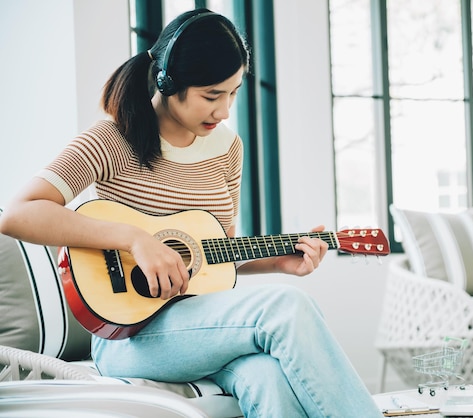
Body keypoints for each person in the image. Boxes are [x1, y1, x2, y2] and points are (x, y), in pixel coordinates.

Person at [0, 8, 383, 418]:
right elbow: (19, 213)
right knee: (288, 308)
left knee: (267, 377)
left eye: (233, 93)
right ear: (168, 82)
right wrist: (134, 239)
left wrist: (277, 263)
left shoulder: (227, 149)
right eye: (211, 95)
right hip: (129, 339)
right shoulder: (113, 138)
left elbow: (211, 256)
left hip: (200, 327)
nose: (224, 111)